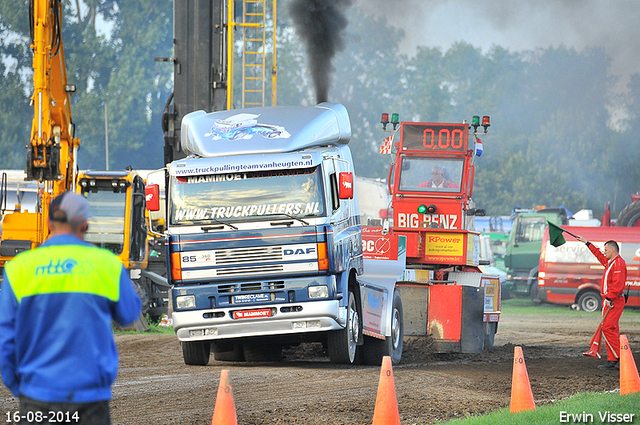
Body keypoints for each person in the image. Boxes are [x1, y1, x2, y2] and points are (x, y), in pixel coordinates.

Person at [0, 191, 142, 424]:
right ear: (84, 224)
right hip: (90, 400)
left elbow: (5, 340)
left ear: (48, 223)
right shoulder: (106, 264)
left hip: (36, 396)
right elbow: (129, 315)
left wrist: (21, 387)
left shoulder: (18, 269)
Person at [576, 235, 627, 370]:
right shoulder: (611, 262)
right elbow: (599, 255)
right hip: (610, 300)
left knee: (608, 328)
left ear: (612, 250)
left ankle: (622, 358)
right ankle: (613, 360)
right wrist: (587, 243)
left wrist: (609, 298)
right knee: (610, 329)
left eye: (606, 250)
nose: (604, 252)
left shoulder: (618, 264)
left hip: (614, 301)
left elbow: (618, 284)